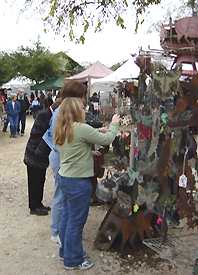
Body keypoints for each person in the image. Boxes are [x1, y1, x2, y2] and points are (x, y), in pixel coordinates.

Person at [54, 97, 120, 270]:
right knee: (76, 222)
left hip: (65, 177)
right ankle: (74, 260)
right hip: (78, 182)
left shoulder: (62, 128)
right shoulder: (81, 128)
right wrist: (114, 124)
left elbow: (73, 151)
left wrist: (90, 151)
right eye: (82, 108)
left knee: (67, 217)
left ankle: (65, 252)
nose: (85, 110)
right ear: (76, 111)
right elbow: (107, 140)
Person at [42, 80, 87, 245]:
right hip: (61, 157)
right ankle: (56, 231)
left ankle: (61, 229)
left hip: (62, 156)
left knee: (64, 194)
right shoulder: (60, 113)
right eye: (82, 96)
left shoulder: (66, 110)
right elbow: (60, 140)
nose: (83, 100)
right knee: (61, 195)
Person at [24, 97, 55, 216]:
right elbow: (38, 134)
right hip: (34, 155)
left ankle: (39, 203)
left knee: (41, 179)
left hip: (41, 156)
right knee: (34, 181)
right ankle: (33, 207)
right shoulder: (44, 115)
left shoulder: (49, 114)